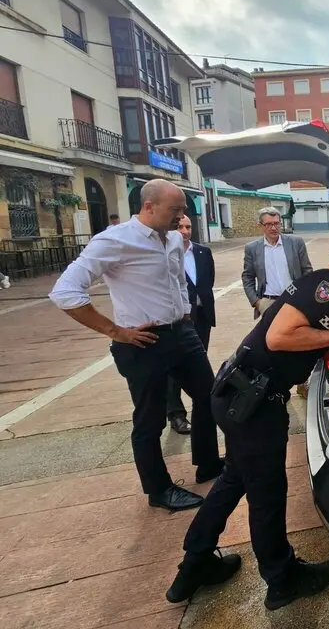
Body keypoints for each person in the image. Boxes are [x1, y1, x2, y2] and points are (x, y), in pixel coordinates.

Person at [166, 247, 329, 610]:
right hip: (253, 402)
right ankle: (282, 580)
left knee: (233, 481)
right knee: (267, 496)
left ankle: (195, 564)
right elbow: (278, 337)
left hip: (241, 395)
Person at [49, 179, 222, 511]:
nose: (181, 217)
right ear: (149, 206)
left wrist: (185, 313)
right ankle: (159, 490)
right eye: (175, 210)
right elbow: (65, 292)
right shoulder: (115, 240)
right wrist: (115, 331)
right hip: (143, 341)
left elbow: (177, 280)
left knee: (210, 395)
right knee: (150, 419)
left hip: (182, 334)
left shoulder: (173, 238)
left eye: (183, 209)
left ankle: (209, 463)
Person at [167, 216, 217, 436]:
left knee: (198, 364)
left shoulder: (203, 252)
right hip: (178, 320)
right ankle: (176, 414)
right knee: (175, 367)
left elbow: (208, 280)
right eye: (180, 227)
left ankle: (203, 410)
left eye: (188, 227)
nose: (185, 231)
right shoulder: (166, 253)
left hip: (202, 316)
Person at [242, 208, 313, 319]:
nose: (273, 228)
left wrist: (305, 295)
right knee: (271, 331)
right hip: (268, 303)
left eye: (276, 223)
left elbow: (307, 271)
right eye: (268, 224)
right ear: (260, 226)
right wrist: (256, 302)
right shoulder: (252, 248)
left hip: (295, 300)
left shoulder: (296, 243)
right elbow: (247, 276)